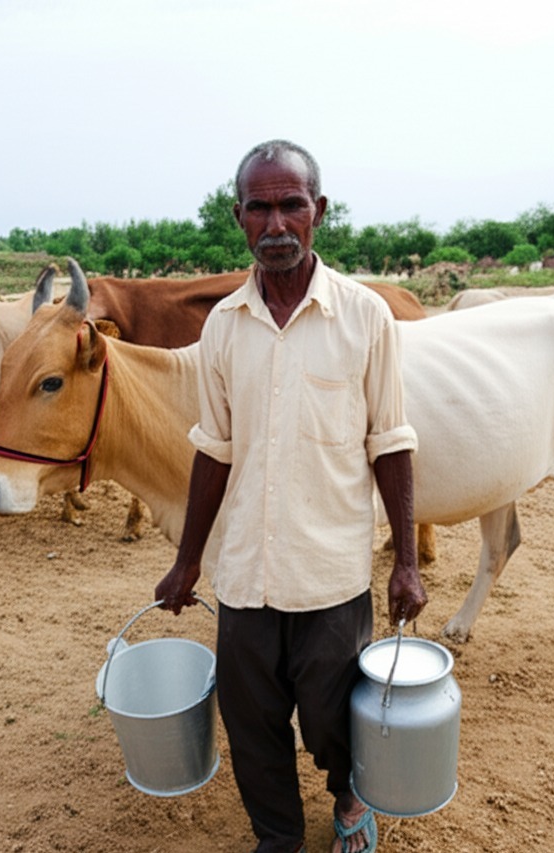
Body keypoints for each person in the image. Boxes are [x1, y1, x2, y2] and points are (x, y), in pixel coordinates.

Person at [155, 140, 428, 853]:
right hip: (245, 572)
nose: (276, 223)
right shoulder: (223, 325)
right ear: (238, 215)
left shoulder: (364, 317)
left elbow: (391, 440)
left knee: (336, 718)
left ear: (319, 212)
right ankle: (278, 839)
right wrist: (188, 561)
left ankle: (347, 799)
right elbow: (213, 450)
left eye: (291, 204)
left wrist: (406, 559)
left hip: (331, 572)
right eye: (260, 207)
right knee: (253, 728)